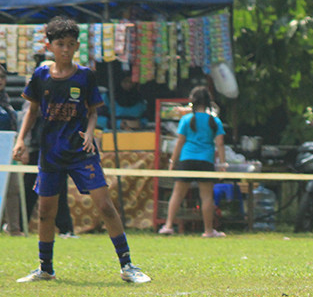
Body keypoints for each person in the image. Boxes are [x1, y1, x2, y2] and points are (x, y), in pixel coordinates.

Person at [13, 17, 150, 283]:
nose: (65, 49)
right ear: (49, 46)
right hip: (50, 152)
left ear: (77, 46)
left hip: (81, 151)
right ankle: (45, 268)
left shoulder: (85, 76)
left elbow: (92, 112)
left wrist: (90, 132)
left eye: (70, 44)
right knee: (45, 212)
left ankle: (127, 266)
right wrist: (21, 140)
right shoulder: (41, 76)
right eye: (60, 44)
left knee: (105, 206)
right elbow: (32, 111)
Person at [158, 86, 227, 238]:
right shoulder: (215, 121)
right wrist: (222, 164)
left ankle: (168, 226)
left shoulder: (186, 119)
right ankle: (208, 231)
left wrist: (172, 161)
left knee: (177, 194)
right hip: (206, 160)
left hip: (187, 159)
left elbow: (180, 142)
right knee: (206, 196)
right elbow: (220, 144)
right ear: (208, 102)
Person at [0, 64, 24, 236]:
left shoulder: (6, 100)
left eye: (2, 77)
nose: (0, 81)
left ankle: (14, 228)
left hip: (7, 150)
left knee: (13, 189)